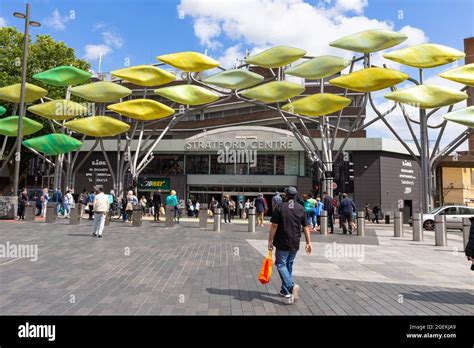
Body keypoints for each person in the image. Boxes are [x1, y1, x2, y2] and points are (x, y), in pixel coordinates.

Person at [268, 186, 312, 304]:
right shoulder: (301, 208)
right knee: (289, 264)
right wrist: (308, 242)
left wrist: (270, 241)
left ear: (286, 195)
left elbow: (274, 226)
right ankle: (284, 290)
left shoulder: (280, 207)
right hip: (295, 242)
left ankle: (290, 287)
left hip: (282, 241)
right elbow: (306, 227)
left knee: (281, 264)